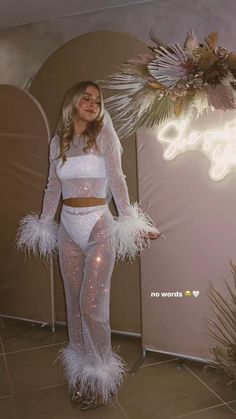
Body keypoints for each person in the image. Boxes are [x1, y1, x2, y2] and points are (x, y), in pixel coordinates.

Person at [16, 81, 161, 410]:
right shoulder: (58, 143)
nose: (94, 102)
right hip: (68, 228)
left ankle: (101, 380)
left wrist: (130, 220)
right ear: (72, 102)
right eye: (87, 97)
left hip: (98, 226)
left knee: (92, 307)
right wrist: (43, 221)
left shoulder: (105, 137)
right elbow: (52, 186)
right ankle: (82, 376)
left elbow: (118, 180)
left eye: (98, 99)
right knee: (73, 305)